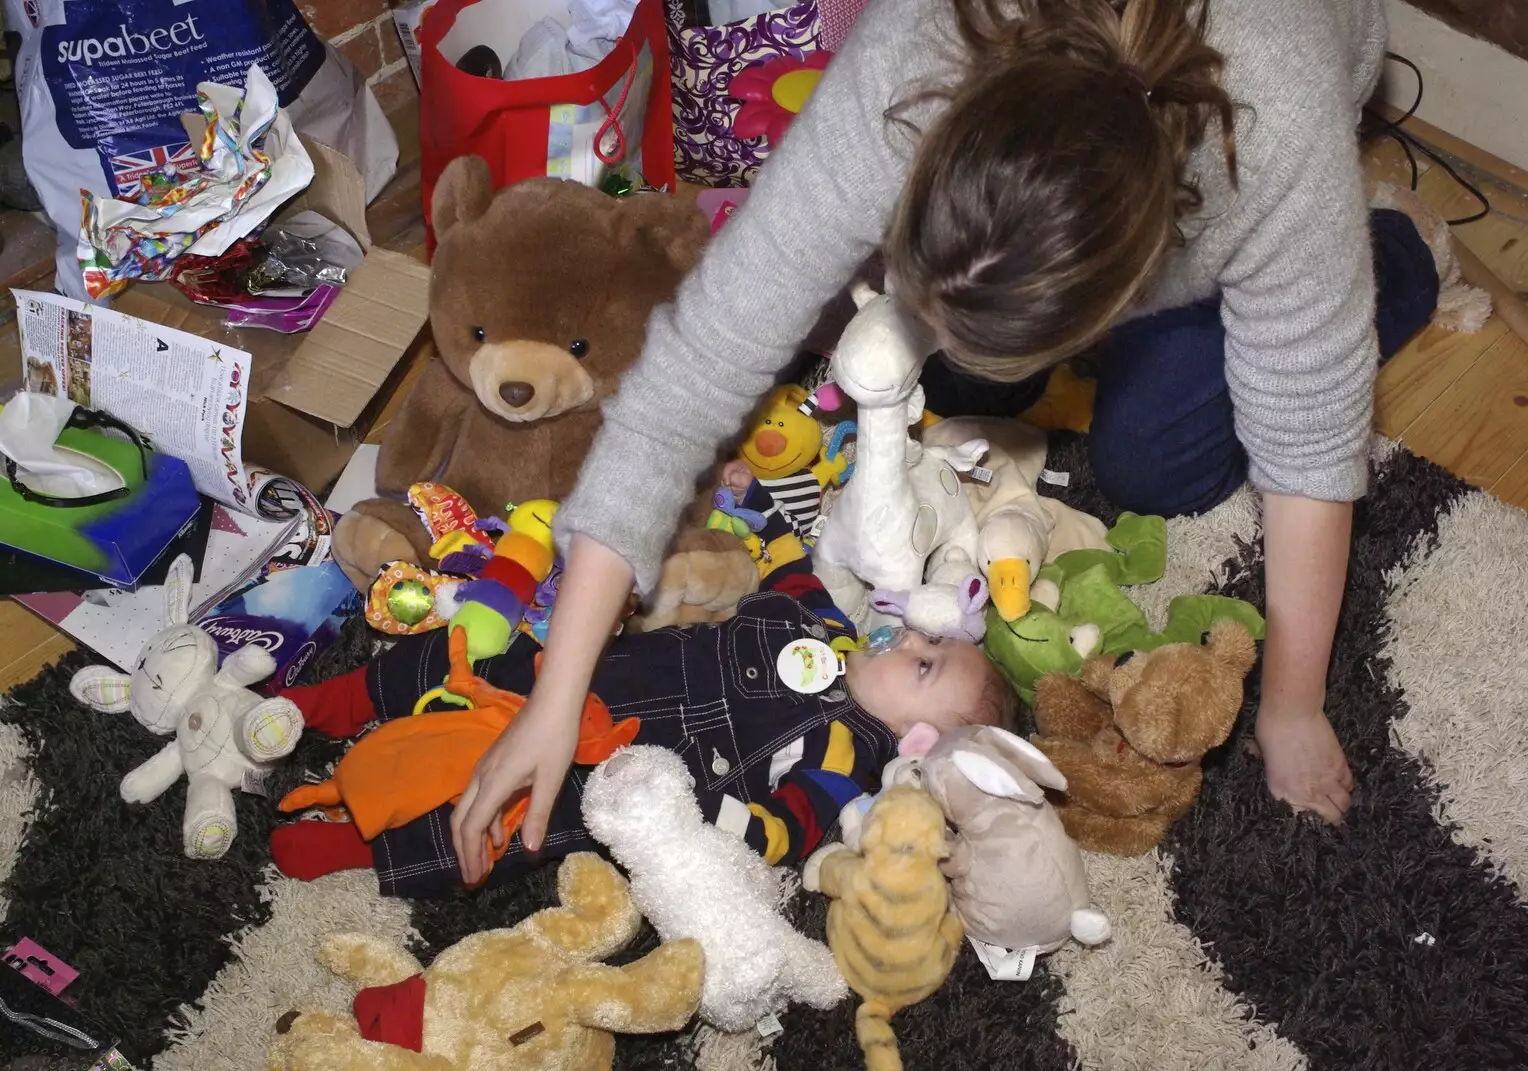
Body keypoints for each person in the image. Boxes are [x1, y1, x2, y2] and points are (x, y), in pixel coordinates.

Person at [453, 0, 1443, 882]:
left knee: (1157, 467)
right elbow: (697, 361)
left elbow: (1309, 433)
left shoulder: (1272, 130)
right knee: (952, 388)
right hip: (1056, 205)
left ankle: (1390, 259)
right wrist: (556, 691)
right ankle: (983, 334)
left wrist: (1292, 706)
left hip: (1277, 117)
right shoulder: (905, 58)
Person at [273, 473, 1015, 896]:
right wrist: (752, 497)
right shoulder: (835, 632)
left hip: (618, 766)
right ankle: (326, 703)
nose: (911, 636)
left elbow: (785, 833)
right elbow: (792, 569)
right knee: (470, 658)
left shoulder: (847, 758)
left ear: (915, 738)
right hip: (603, 668)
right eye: (930, 637)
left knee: (507, 826)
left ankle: (355, 850)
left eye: (925, 663)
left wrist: (715, 817)